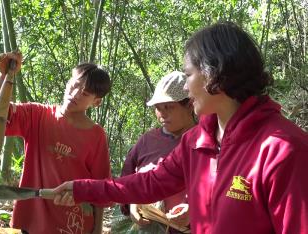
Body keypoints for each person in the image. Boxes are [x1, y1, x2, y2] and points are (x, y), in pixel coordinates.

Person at [51, 21, 308, 234]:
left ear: (213, 72)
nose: (185, 88)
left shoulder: (283, 150)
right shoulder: (197, 141)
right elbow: (148, 184)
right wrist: (82, 188)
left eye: (188, 75)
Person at [0, 53, 112, 234]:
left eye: (85, 93)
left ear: (96, 102)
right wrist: (5, 75)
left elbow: (100, 185)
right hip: (34, 218)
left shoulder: (96, 135)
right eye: (75, 85)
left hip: (73, 224)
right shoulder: (37, 115)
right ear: (68, 81)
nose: (75, 93)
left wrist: (98, 228)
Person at [117, 71, 195, 234]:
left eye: (169, 107)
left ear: (189, 104)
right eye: (158, 108)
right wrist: (132, 203)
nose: (162, 114)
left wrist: (194, 208)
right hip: (147, 227)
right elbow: (127, 178)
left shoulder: (204, 139)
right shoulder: (147, 140)